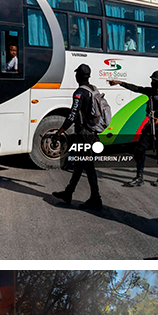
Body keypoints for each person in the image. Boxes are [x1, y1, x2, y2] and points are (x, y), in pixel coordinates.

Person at [107, 71, 158, 187]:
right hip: (150, 126)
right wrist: (120, 83)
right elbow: (136, 88)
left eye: (154, 81)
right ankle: (139, 177)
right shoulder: (151, 92)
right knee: (139, 150)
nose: (152, 82)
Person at [52, 64, 104, 210]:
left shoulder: (79, 92)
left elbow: (72, 115)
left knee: (88, 166)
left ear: (78, 76)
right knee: (81, 164)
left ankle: (96, 198)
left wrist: (59, 132)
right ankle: (68, 193)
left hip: (84, 135)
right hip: (92, 133)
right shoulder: (94, 89)